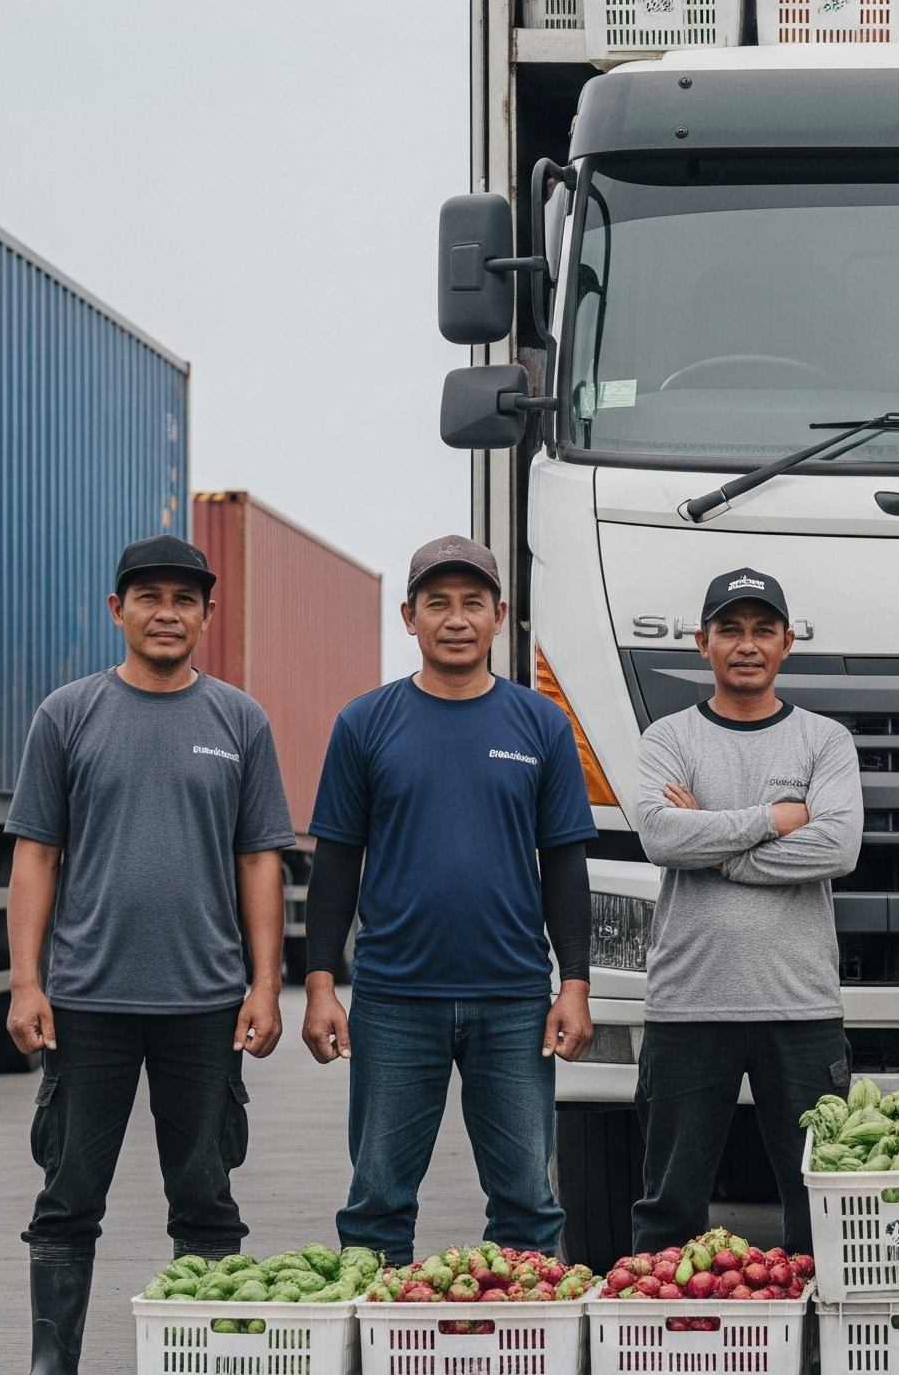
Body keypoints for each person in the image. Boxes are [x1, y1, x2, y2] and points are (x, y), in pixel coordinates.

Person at [6, 535, 295, 1375]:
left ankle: (206, 1357)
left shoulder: (240, 720)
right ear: (117, 610)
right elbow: (36, 855)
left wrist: (264, 986)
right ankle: (51, 1363)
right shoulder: (67, 714)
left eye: (184, 599)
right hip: (86, 1002)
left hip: (203, 1003)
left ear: (207, 613)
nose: (166, 612)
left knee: (206, 1202)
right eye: (148, 597)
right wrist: (27, 983)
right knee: (67, 1200)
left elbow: (259, 860)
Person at [298, 536, 598, 1265]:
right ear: (409, 617)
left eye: (472, 603)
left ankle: (525, 1349)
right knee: (376, 1205)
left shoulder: (542, 725)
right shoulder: (365, 724)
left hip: (515, 1002)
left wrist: (576, 985)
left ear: (501, 616)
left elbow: (564, 863)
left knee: (529, 1204)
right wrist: (318, 986)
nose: (455, 619)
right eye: (438, 604)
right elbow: (336, 864)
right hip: (394, 1000)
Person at [629, 568, 863, 1254]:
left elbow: (838, 847)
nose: (747, 644)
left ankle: (819, 1346)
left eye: (763, 630)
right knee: (668, 1207)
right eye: (730, 629)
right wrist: (774, 818)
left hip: (801, 1005)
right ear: (702, 642)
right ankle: (663, 1338)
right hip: (689, 1003)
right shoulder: (667, 739)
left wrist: (720, 847)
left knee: (822, 1204)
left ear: (788, 642)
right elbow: (660, 835)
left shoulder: (824, 741)